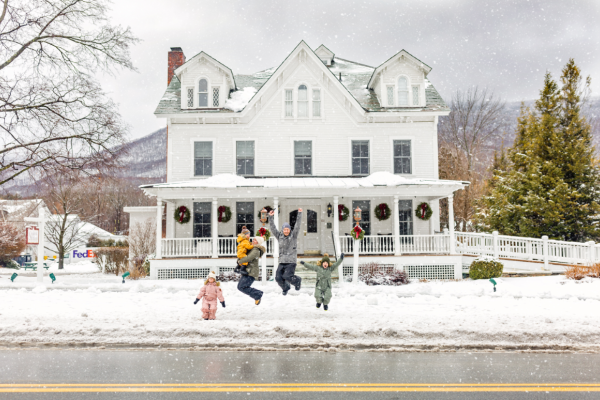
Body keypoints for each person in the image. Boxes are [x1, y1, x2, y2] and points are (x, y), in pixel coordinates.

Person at [269, 208, 303, 295]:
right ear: (282, 230)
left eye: (288, 229)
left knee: (287, 276)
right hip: (282, 261)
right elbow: (273, 228)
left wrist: (299, 214)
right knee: (278, 277)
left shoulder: (293, 235)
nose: (286, 231)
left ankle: (297, 281)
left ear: (290, 230)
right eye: (285, 229)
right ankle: (286, 287)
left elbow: (297, 225)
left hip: (291, 261)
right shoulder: (279, 236)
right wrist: (270, 217)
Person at [237, 236, 266, 305]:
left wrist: (240, 261)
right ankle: (257, 294)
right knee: (240, 287)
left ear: (258, 242)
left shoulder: (256, 250)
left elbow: (248, 258)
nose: (253, 241)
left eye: (255, 240)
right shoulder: (252, 248)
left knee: (242, 287)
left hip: (251, 272)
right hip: (248, 270)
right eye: (253, 239)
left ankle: (258, 294)